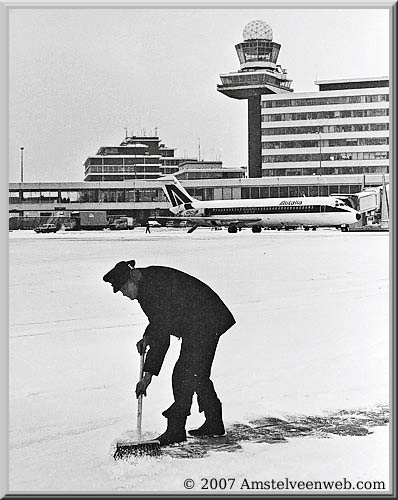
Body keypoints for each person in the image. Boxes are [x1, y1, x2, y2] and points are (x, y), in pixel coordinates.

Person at [103, 260, 235, 446]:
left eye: (124, 289)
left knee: (184, 374)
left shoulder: (151, 288)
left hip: (205, 320)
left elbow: (162, 335)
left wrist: (147, 376)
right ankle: (213, 423)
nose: (124, 295)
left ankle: (176, 430)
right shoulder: (147, 285)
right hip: (201, 320)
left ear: (132, 279)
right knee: (197, 373)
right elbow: (158, 322)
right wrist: (148, 336)